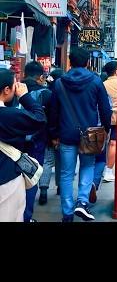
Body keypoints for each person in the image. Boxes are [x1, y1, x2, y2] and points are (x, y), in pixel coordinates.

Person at [49, 47, 112, 222]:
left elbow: (53, 111)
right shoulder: (95, 81)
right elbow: (105, 109)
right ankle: (82, 203)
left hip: (66, 134)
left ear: (70, 62)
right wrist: (106, 128)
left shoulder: (59, 83)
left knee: (67, 174)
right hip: (90, 136)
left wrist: (54, 133)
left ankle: (67, 213)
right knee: (87, 167)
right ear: (87, 62)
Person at [0, 69, 46, 222]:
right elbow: (39, 118)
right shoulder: (9, 115)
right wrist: (25, 97)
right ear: (6, 90)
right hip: (6, 177)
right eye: (14, 85)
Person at [22, 61, 54, 222]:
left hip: (15, 140)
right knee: (32, 175)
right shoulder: (46, 93)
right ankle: (26, 215)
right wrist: (53, 136)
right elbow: (52, 118)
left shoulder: (14, 89)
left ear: (24, 72)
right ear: (40, 76)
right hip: (38, 140)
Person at [38, 68, 64, 203]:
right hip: (61, 133)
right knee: (61, 161)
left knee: (47, 162)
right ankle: (60, 187)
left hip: (47, 133)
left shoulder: (46, 93)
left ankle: (43, 189)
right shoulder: (63, 93)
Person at [102, 62, 117, 183]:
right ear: (116, 70)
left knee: (106, 143)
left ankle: (102, 167)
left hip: (105, 117)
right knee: (113, 143)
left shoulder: (103, 84)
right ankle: (108, 170)